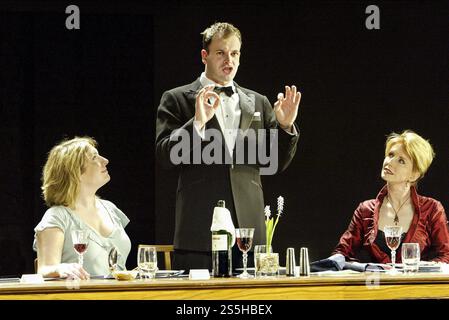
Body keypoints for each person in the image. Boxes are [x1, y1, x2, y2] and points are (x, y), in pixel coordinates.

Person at [155, 22, 301, 270]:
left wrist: (285, 127)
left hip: (250, 233)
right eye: (221, 52)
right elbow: (165, 156)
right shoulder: (177, 98)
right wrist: (198, 122)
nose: (228, 60)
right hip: (199, 232)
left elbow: (275, 162)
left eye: (234, 53)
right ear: (205, 55)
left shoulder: (258, 101)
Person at [333, 130, 449, 264]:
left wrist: (422, 269)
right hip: (375, 284)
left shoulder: (432, 209)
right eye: (390, 155)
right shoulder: (365, 210)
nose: (390, 162)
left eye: (401, 161)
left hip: (416, 284)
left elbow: (446, 255)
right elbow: (341, 253)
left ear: (414, 175)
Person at [33, 137, 131, 279]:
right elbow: (44, 269)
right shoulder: (57, 216)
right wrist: (60, 268)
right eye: (94, 157)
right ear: (75, 172)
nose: (105, 160)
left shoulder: (110, 209)